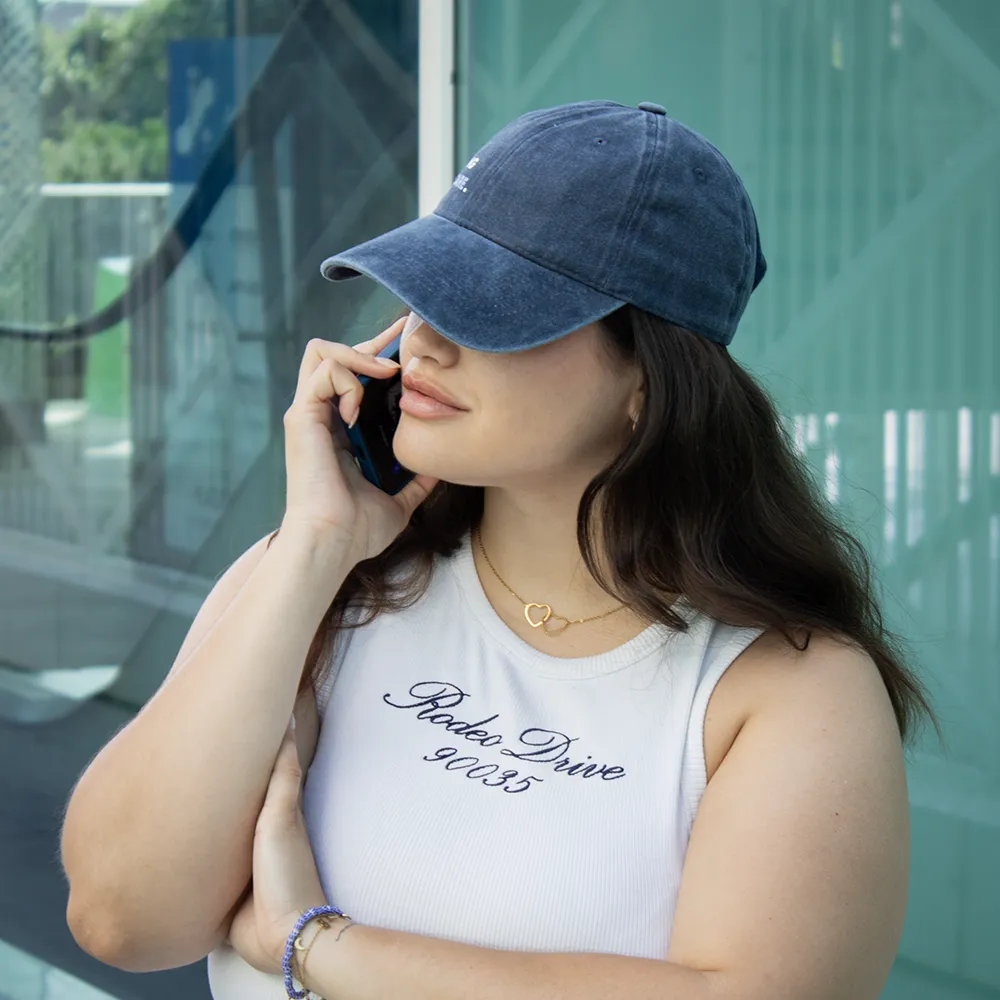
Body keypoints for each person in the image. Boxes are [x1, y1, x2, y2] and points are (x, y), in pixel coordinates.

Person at [61, 100, 939, 1000]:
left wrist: (315, 945)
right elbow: (124, 916)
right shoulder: (328, 580)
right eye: (425, 289)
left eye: (492, 308)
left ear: (649, 381)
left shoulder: (780, 691)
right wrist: (317, 543)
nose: (424, 339)